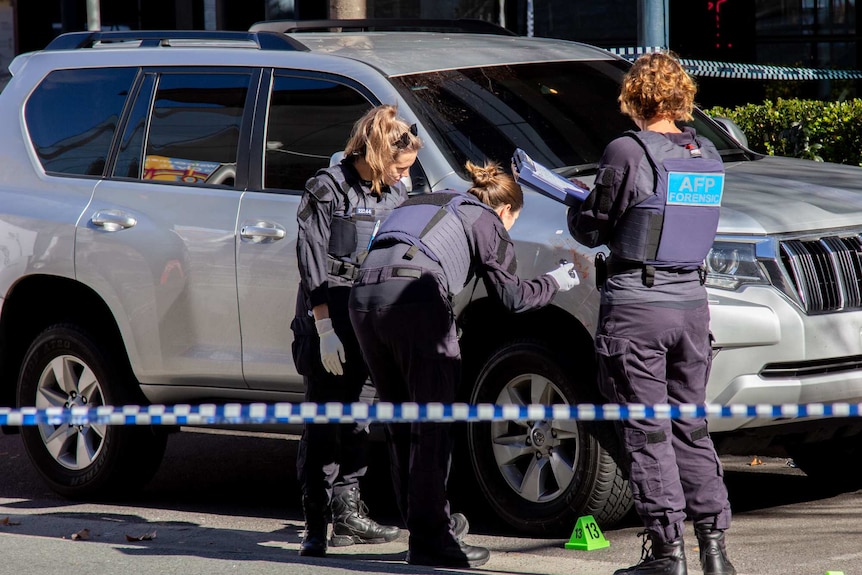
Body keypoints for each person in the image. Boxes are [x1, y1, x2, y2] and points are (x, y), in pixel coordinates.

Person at [348, 160, 579, 568]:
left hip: (364, 300)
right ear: (506, 210)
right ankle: (433, 539)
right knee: (433, 426)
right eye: (512, 223)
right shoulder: (486, 219)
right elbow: (512, 299)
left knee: (402, 424)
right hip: (415, 303)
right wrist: (555, 282)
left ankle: (424, 528)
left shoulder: (423, 201)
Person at [567, 52, 736, 575]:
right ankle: (715, 552)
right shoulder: (706, 152)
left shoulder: (626, 148)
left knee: (649, 431)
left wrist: (576, 204)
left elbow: (593, 224)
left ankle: (667, 553)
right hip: (691, 306)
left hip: (638, 308)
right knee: (691, 426)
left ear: (633, 98)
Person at [291, 104, 422, 557]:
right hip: (329, 315)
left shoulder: (393, 191)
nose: (405, 176)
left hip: (370, 316)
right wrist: (324, 326)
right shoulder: (326, 189)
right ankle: (315, 521)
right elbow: (310, 261)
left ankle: (348, 513)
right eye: (400, 166)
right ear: (378, 152)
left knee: (360, 419)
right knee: (325, 420)